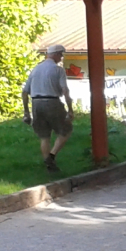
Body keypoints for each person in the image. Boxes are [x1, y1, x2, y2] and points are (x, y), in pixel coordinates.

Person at [22, 44, 74, 173]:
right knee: (66, 129)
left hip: (36, 103)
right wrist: (70, 109)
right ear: (55, 54)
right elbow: (65, 90)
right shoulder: (58, 70)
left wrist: (26, 112)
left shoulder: (35, 70)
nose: (61, 57)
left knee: (44, 136)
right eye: (61, 55)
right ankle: (51, 156)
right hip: (52, 102)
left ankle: (48, 164)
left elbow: (25, 92)